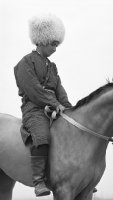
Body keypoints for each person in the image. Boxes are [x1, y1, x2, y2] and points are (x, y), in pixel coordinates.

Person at [14, 13, 72, 197]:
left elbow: (59, 90)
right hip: (34, 109)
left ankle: (76, 175)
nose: (55, 48)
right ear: (42, 39)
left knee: (72, 132)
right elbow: (34, 91)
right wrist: (55, 103)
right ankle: (39, 181)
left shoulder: (52, 67)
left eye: (57, 44)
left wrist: (69, 109)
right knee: (42, 135)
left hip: (54, 108)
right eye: (53, 43)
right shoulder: (24, 63)